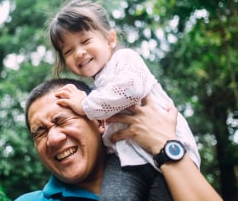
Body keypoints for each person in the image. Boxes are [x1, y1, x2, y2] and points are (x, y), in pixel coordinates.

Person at [48, 0, 200, 199]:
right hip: (125, 160)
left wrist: (85, 105)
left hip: (164, 155)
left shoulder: (124, 59)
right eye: (69, 50)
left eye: (85, 41)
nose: (79, 53)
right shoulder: (95, 89)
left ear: (110, 39)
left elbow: (132, 88)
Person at [15, 78, 222, 201]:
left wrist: (165, 146)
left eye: (62, 121)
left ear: (100, 122)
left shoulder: (164, 178)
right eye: (40, 132)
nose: (53, 139)